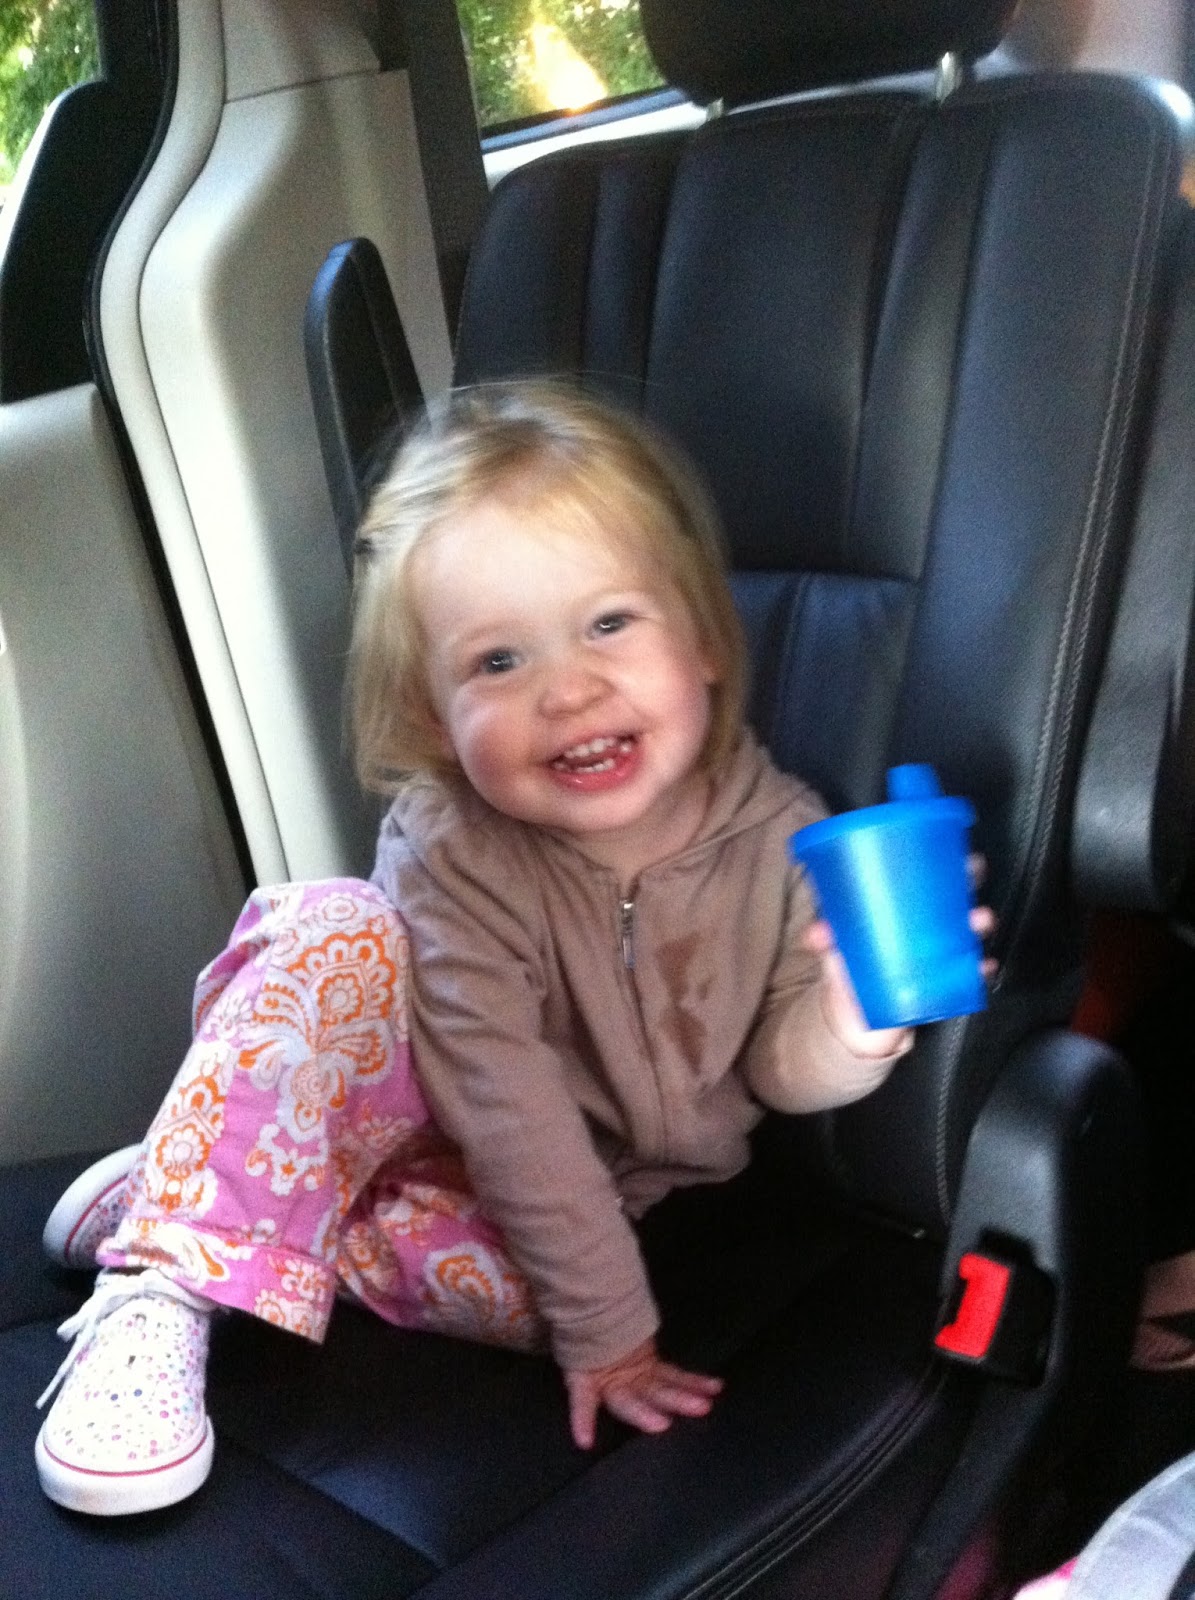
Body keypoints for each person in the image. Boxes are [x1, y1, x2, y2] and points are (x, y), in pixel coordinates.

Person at [33, 382, 989, 1518]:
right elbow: (505, 1100)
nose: (569, 688)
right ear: (434, 719)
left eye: (609, 623)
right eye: (497, 662)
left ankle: (207, 1182)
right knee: (333, 928)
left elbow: (779, 1072)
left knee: (545, 1298)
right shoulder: (455, 846)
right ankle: (165, 1281)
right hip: (424, 1111)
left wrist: (848, 1022)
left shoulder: (782, 832)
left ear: (700, 638)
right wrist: (612, 1333)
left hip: (559, 1195)